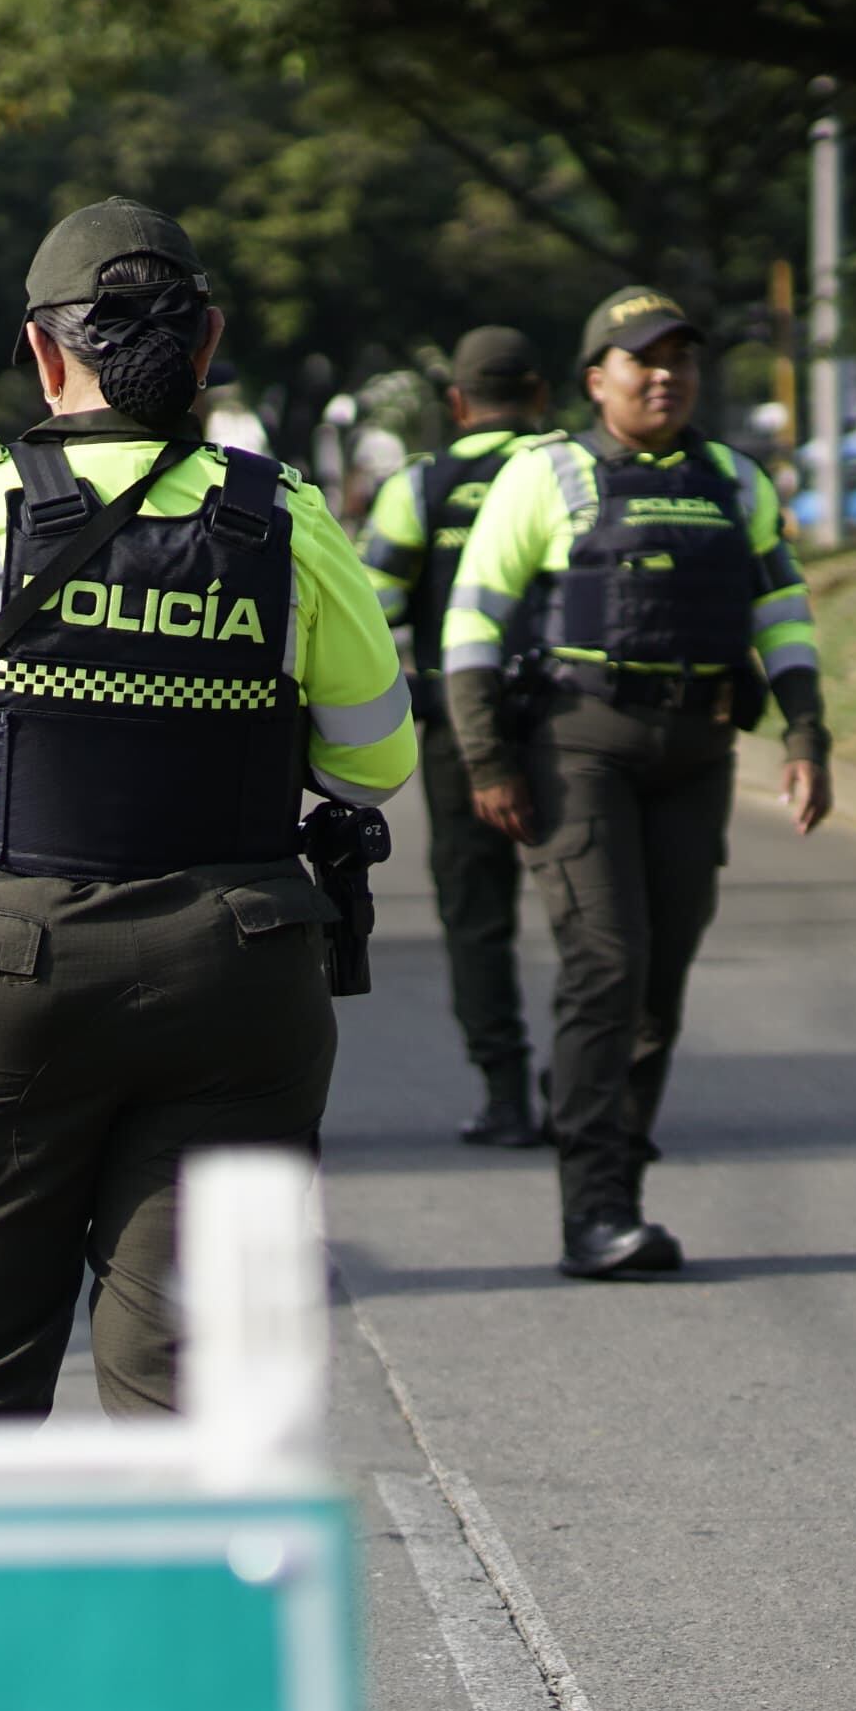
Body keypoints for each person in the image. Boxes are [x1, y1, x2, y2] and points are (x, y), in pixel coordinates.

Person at [0, 200, 413, 1417]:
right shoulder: (283, 517)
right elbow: (370, 761)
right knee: (193, 1409)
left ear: (43, 352)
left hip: (0, 977)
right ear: (206, 344)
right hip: (234, 979)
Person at [439, 286, 833, 1280]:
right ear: (593, 380)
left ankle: (604, 1139)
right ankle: (596, 1210)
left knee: (655, 984)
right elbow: (471, 623)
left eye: (679, 358)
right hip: (580, 748)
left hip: (696, 751)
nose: (664, 374)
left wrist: (806, 731)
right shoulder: (545, 474)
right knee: (606, 964)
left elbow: (779, 608)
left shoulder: (735, 481)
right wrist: (485, 759)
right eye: (640, 359)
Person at [357, 325, 558, 1146]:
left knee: (478, 920)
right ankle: (585, 1085)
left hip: (458, 732)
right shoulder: (572, 471)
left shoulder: (423, 485)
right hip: (569, 724)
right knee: (594, 912)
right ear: (542, 393)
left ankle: (507, 1096)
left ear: (456, 400)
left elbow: (372, 611)